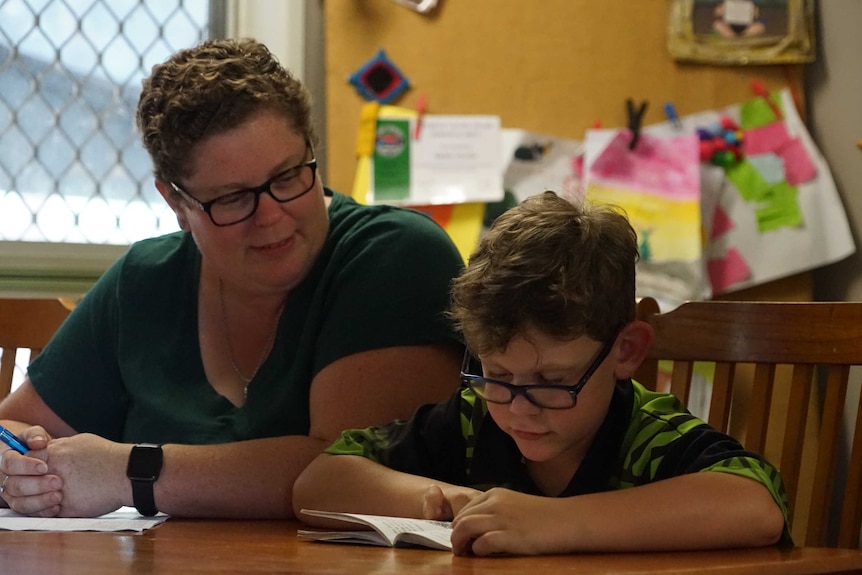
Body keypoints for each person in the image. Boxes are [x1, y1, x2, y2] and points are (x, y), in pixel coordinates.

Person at [0, 38, 464, 519]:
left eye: (287, 177)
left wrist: (129, 472)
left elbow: (348, 474)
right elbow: (15, 426)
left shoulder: (396, 256)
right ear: (176, 204)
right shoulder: (144, 281)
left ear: (311, 149)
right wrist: (15, 467)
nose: (272, 217)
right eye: (232, 199)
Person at [292, 191, 791, 556]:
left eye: (553, 382)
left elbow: (756, 505)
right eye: (497, 373)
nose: (519, 407)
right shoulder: (473, 419)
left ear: (626, 351)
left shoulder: (648, 435)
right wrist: (439, 498)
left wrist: (552, 523)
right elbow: (319, 480)